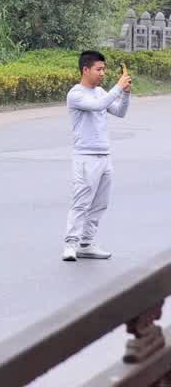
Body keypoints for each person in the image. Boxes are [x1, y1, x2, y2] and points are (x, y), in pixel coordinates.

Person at [62, 50, 132, 262]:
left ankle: (86, 243)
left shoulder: (101, 92)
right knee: (81, 202)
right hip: (86, 157)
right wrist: (118, 86)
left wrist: (126, 93)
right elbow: (97, 106)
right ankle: (70, 245)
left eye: (104, 69)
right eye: (98, 69)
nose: (102, 73)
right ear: (85, 69)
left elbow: (119, 112)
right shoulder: (76, 94)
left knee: (100, 204)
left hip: (104, 155)